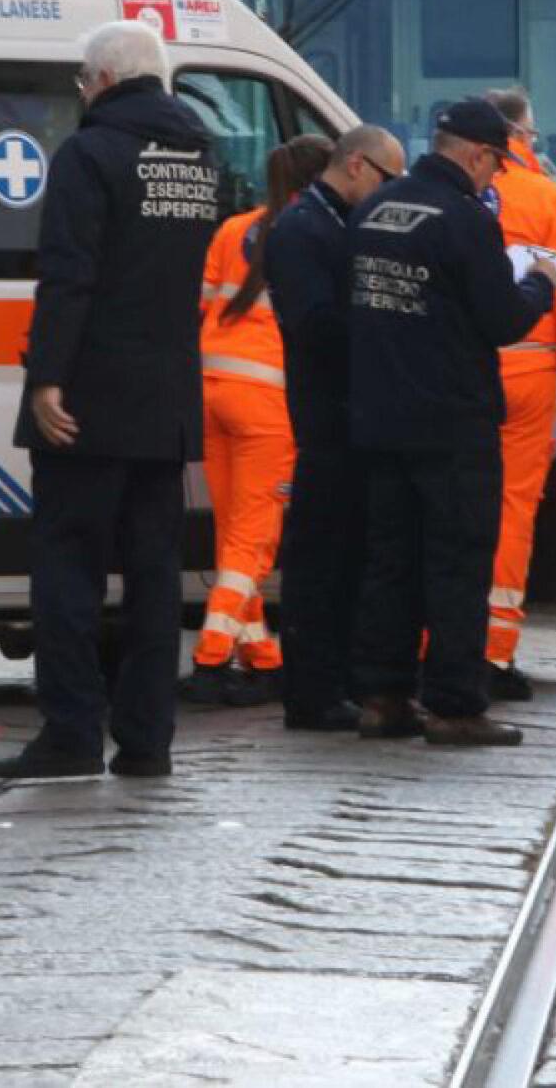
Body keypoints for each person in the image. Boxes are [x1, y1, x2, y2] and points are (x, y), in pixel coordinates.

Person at [0, 20, 225, 781]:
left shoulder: (90, 153)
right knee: (155, 575)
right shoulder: (202, 154)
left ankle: (69, 734)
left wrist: (47, 379)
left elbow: (70, 274)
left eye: (82, 81)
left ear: (100, 79)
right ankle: (148, 740)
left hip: (89, 396)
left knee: (68, 569)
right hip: (166, 398)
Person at [345, 98, 556, 747]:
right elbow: (501, 320)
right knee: (457, 562)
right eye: (496, 166)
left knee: (389, 560)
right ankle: (453, 704)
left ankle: (383, 697)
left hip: (380, 415)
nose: (495, 178)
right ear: (477, 154)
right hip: (449, 419)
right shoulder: (464, 220)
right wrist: (543, 285)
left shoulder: (376, 210)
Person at [265, 124, 406, 732]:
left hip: (352, 412)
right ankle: (313, 690)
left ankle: (339, 680)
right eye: (387, 178)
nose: (391, 191)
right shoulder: (302, 228)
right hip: (326, 416)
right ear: (356, 165)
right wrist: (378, 325)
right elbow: (314, 324)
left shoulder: (334, 223)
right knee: (320, 558)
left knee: (348, 553)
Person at [184, 134, 332, 707]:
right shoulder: (311, 236)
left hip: (212, 390)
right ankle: (211, 657)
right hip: (267, 401)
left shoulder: (230, 229)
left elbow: (200, 305)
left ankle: (262, 656)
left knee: (232, 534)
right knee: (254, 539)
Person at [478, 89, 556, 702]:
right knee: (511, 514)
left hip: (460, 374)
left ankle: (434, 643)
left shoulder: (455, 191)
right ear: (522, 136)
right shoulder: (548, 200)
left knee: (450, 510)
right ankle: (493, 653)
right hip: (526, 377)